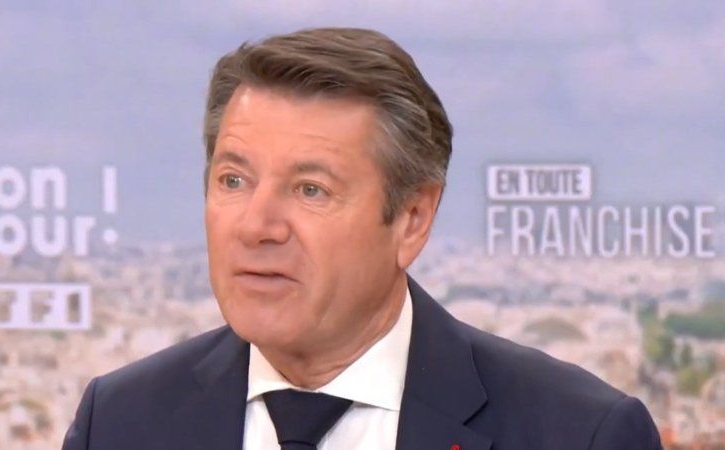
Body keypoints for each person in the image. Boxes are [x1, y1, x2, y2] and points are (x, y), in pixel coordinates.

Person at [62, 27, 662, 450]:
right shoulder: (118, 422)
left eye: (310, 190)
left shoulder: (578, 433)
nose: (256, 226)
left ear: (412, 219)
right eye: (234, 180)